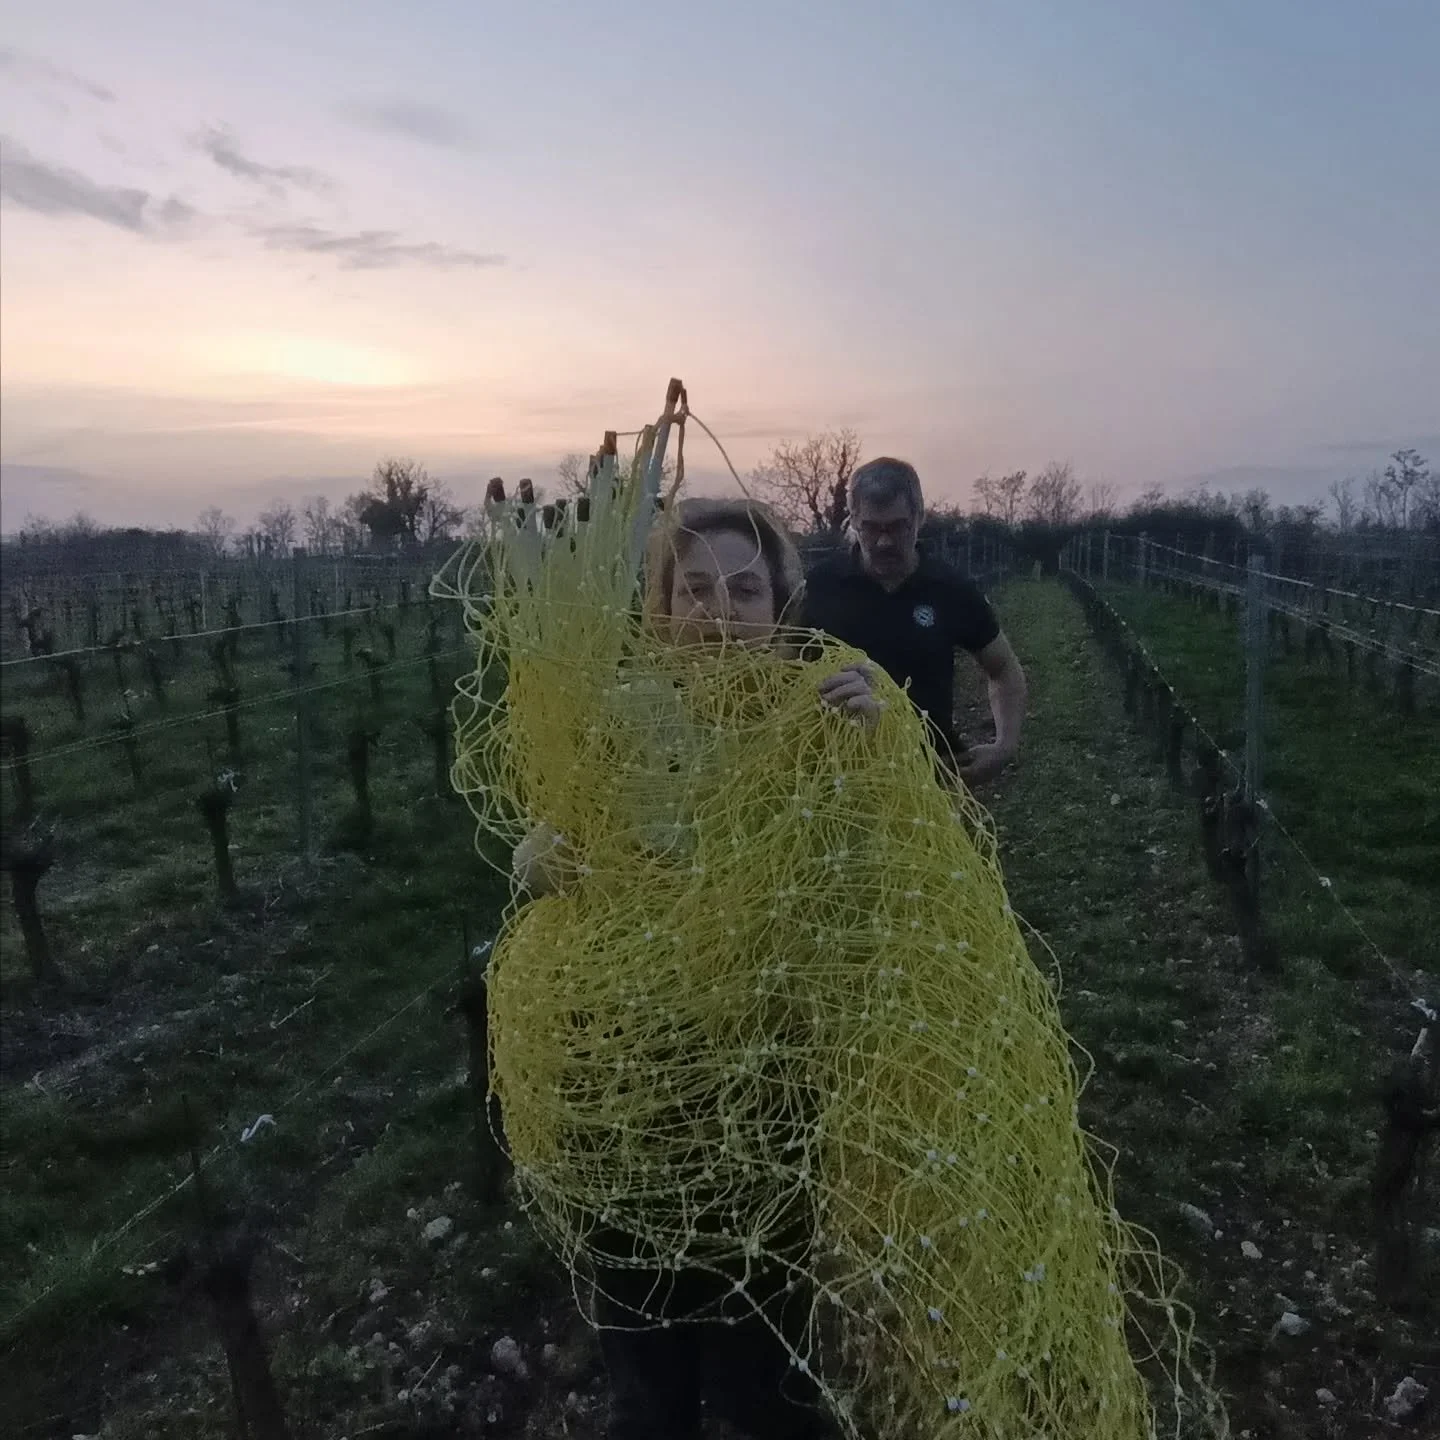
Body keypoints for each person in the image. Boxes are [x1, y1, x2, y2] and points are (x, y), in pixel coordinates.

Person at [514, 497, 869, 1440]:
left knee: (767, 1372)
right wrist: (547, 856)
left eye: (745, 590)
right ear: (660, 607)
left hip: (761, 1085)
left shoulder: (819, 716)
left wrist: (879, 741)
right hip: (623, 1082)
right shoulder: (612, 718)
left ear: (781, 605)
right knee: (647, 1369)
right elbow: (546, 847)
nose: (718, 611)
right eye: (695, 588)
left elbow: (871, 884)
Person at [801, 457, 1026, 787]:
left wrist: (1005, 746)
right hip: (834, 778)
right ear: (854, 522)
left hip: (930, 780)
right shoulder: (819, 586)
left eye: (897, 527)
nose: (884, 542)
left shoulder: (951, 590)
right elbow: (780, 666)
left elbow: (1004, 668)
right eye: (871, 527)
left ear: (919, 518)